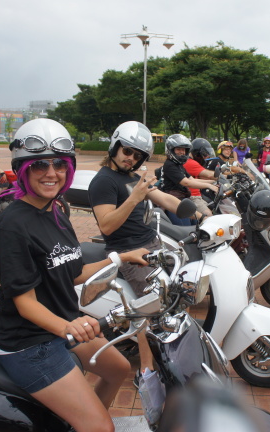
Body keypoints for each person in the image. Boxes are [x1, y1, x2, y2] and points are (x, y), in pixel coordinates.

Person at [0, 118, 145, 432]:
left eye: (59, 164)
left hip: (60, 328)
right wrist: (70, 326)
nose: (51, 173)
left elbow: (72, 272)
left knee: (119, 368)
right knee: (102, 428)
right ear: (23, 168)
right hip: (28, 342)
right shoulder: (13, 227)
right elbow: (26, 305)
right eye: (39, 165)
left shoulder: (55, 211)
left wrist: (121, 257)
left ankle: (81, 424)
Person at [88, 121, 205, 383]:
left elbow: (166, 199)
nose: (131, 159)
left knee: (177, 294)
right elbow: (106, 225)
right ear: (115, 146)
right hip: (128, 250)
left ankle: (173, 348)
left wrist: (201, 216)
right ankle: (146, 371)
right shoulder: (103, 182)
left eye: (137, 156)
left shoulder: (132, 178)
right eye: (127, 152)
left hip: (154, 243)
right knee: (149, 305)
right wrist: (135, 196)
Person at [160, 134, 218, 224]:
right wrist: (208, 185)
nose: (182, 152)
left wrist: (214, 181)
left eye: (184, 149)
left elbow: (192, 180)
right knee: (186, 230)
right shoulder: (169, 165)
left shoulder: (179, 165)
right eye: (178, 149)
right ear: (170, 150)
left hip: (184, 201)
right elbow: (186, 182)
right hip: (174, 201)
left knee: (197, 225)